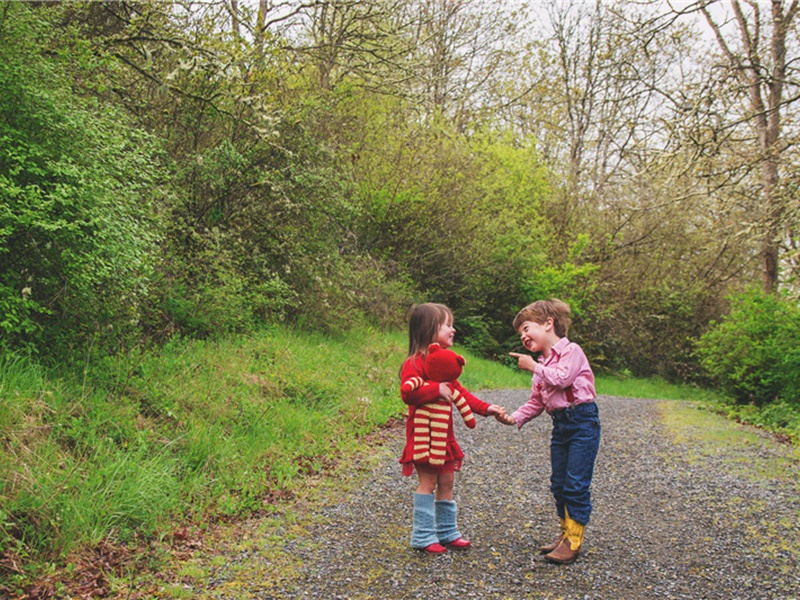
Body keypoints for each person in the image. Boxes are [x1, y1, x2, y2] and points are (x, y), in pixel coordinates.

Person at [399, 302, 514, 553]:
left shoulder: (444, 364)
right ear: (429, 330)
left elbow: (461, 394)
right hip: (425, 438)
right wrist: (434, 389)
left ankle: (447, 531)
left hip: (445, 437)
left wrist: (487, 408)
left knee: (448, 480)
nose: (453, 330)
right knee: (428, 482)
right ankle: (422, 535)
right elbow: (407, 393)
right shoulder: (414, 363)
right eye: (447, 325)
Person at [507, 299, 601, 565]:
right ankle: (564, 534)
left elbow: (562, 378)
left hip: (583, 422)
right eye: (520, 334)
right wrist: (513, 417)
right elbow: (536, 402)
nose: (524, 336)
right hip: (560, 425)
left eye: (527, 328)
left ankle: (574, 540)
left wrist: (533, 366)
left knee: (575, 484)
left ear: (548, 324)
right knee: (558, 483)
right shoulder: (542, 364)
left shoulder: (572, 351)